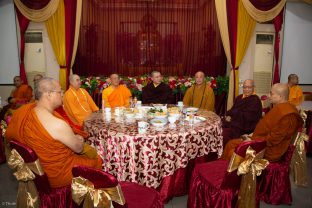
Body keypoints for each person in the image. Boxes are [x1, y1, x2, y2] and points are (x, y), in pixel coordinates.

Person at [5, 77, 102, 188]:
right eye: (60, 91)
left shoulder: (25, 111)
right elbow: (79, 148)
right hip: (58, 173)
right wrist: (79, 139)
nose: (62, 94)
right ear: (49, 94)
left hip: (37, 170)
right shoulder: (57, 124)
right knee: (97, 159)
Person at [222, 83, 303, 162]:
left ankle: (230, 173)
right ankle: (221, 171)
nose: (268, 95)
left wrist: (253, 141)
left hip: (269, 150)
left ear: (280, 96)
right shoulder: (279, 108)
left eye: (271, 94)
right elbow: (268, 128)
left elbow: (274, 140)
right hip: (260, 141)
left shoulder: (288, 116)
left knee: (232, 152)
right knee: (230, 144)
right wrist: (251, 136)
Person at [222, 79, 262, 144]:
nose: (246, 89)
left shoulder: (255, 100)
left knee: (224, 135)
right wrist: (228, 115)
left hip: (245, 127)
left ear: (253, 88)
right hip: (235, 122)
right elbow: (233, 109)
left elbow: (248, 117)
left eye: (249, 87)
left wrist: (231, 117)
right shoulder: (239, 97)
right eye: (245, 87)